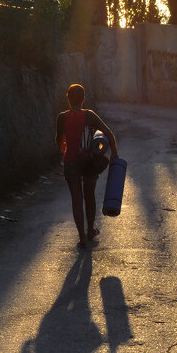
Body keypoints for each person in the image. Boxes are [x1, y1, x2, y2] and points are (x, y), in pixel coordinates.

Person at [56, 84, 119, 248]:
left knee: (76, 201)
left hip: (70, 164)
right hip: (88, 163)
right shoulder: (89, 116)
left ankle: (81, 238)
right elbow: (109, 134)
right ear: (83, 99)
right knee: (89, 197)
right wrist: (114, 155)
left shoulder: (61, 117)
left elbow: (59, 143)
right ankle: (90, 230)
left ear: (68, 99)